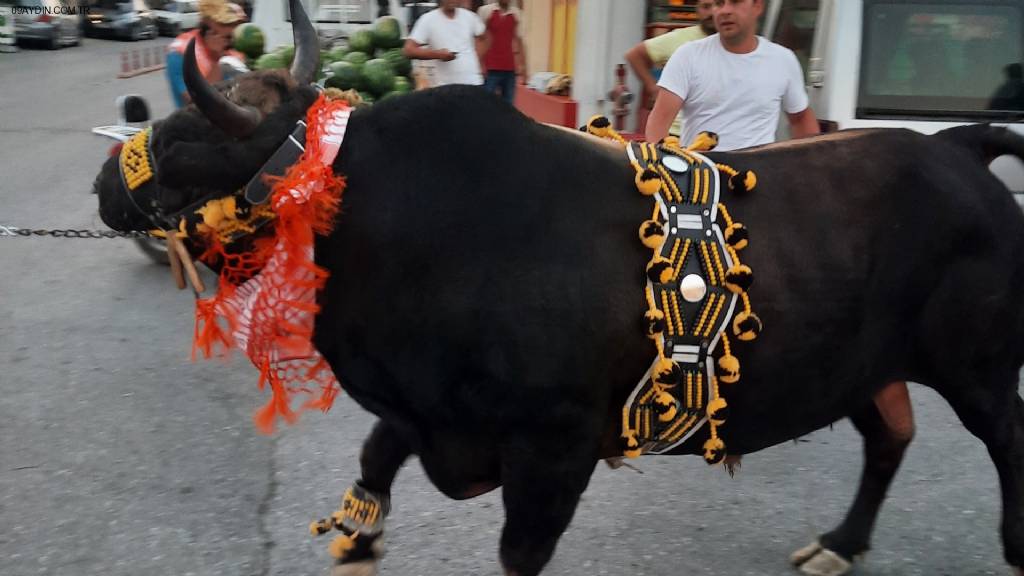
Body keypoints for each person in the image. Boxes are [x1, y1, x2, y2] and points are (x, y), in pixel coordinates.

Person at [645, 0, 820, 151]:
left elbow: (801, 119)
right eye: (719, 3)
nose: (725, 11)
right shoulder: (688, 56)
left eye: (735, 2)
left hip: (759, 180)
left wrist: (814, 166)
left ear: (758, 6)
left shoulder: (783, 60)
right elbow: (659, 121)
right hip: (703, 180)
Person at [625, 0, 715, 111]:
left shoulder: (736, 42)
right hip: (678, 125)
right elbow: (634, 55)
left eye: (717, 5)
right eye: (706, 7)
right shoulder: (680, 37)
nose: (711, 12)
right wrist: (653, 88)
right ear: (697, 9)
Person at [166, 0, 248, 109]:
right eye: (228, 37)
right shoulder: (180, 53)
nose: (232, 42)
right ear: (211, 33)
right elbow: (198, 103)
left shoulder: (233, 47)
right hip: (197, 123)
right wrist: (216, 58)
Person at [403, 0, 486, 87]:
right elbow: (408, 50)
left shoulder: (470, 16)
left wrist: (478, 59)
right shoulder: (428, 19)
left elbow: (484, 38)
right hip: (444, 85)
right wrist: (437, 54)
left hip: (473, 82)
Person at [478, 0, 526, 104]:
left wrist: (523, 66)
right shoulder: (485, 11)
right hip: (490, 67)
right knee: (486, 103)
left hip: (509, 68)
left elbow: (519, 40)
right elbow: (479, 39)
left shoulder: (517, 14)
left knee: (508, 105)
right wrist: (480, 64)